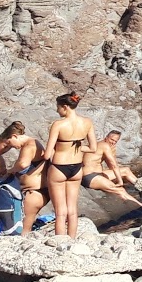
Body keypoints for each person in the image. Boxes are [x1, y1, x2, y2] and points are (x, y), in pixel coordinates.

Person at [43, 93, 95, 237]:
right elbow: (93, 148)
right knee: (72, 209)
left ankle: (60, 242)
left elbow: (47, 155)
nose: (57, 111)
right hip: (77, 168)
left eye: (58, 107)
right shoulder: (87, 122)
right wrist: (75, 147)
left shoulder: (58, 124)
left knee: (60, 212)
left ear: (65, 107)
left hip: (59, 167)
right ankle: (71, 241)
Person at [0, 122, 49, 231]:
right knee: (27, 223)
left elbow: (23, 164)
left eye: (10, 143)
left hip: (35, 192)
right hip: (37, 191)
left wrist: (10, 171)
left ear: (14, 136)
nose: (12, 147)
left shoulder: (29, 145)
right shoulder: (33, 143)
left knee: (24, 229)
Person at [80, 131, 142, 211]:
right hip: (89, 176)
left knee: (126, 170)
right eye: (112, 140)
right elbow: (114, 166)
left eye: (116, 141)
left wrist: (112, 152)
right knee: (120, 189)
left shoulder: (106, 147)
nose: (113, 142)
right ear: (106, 138)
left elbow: (111, 165)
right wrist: (120, 181)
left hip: (98, 174)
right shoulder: (103, 145)